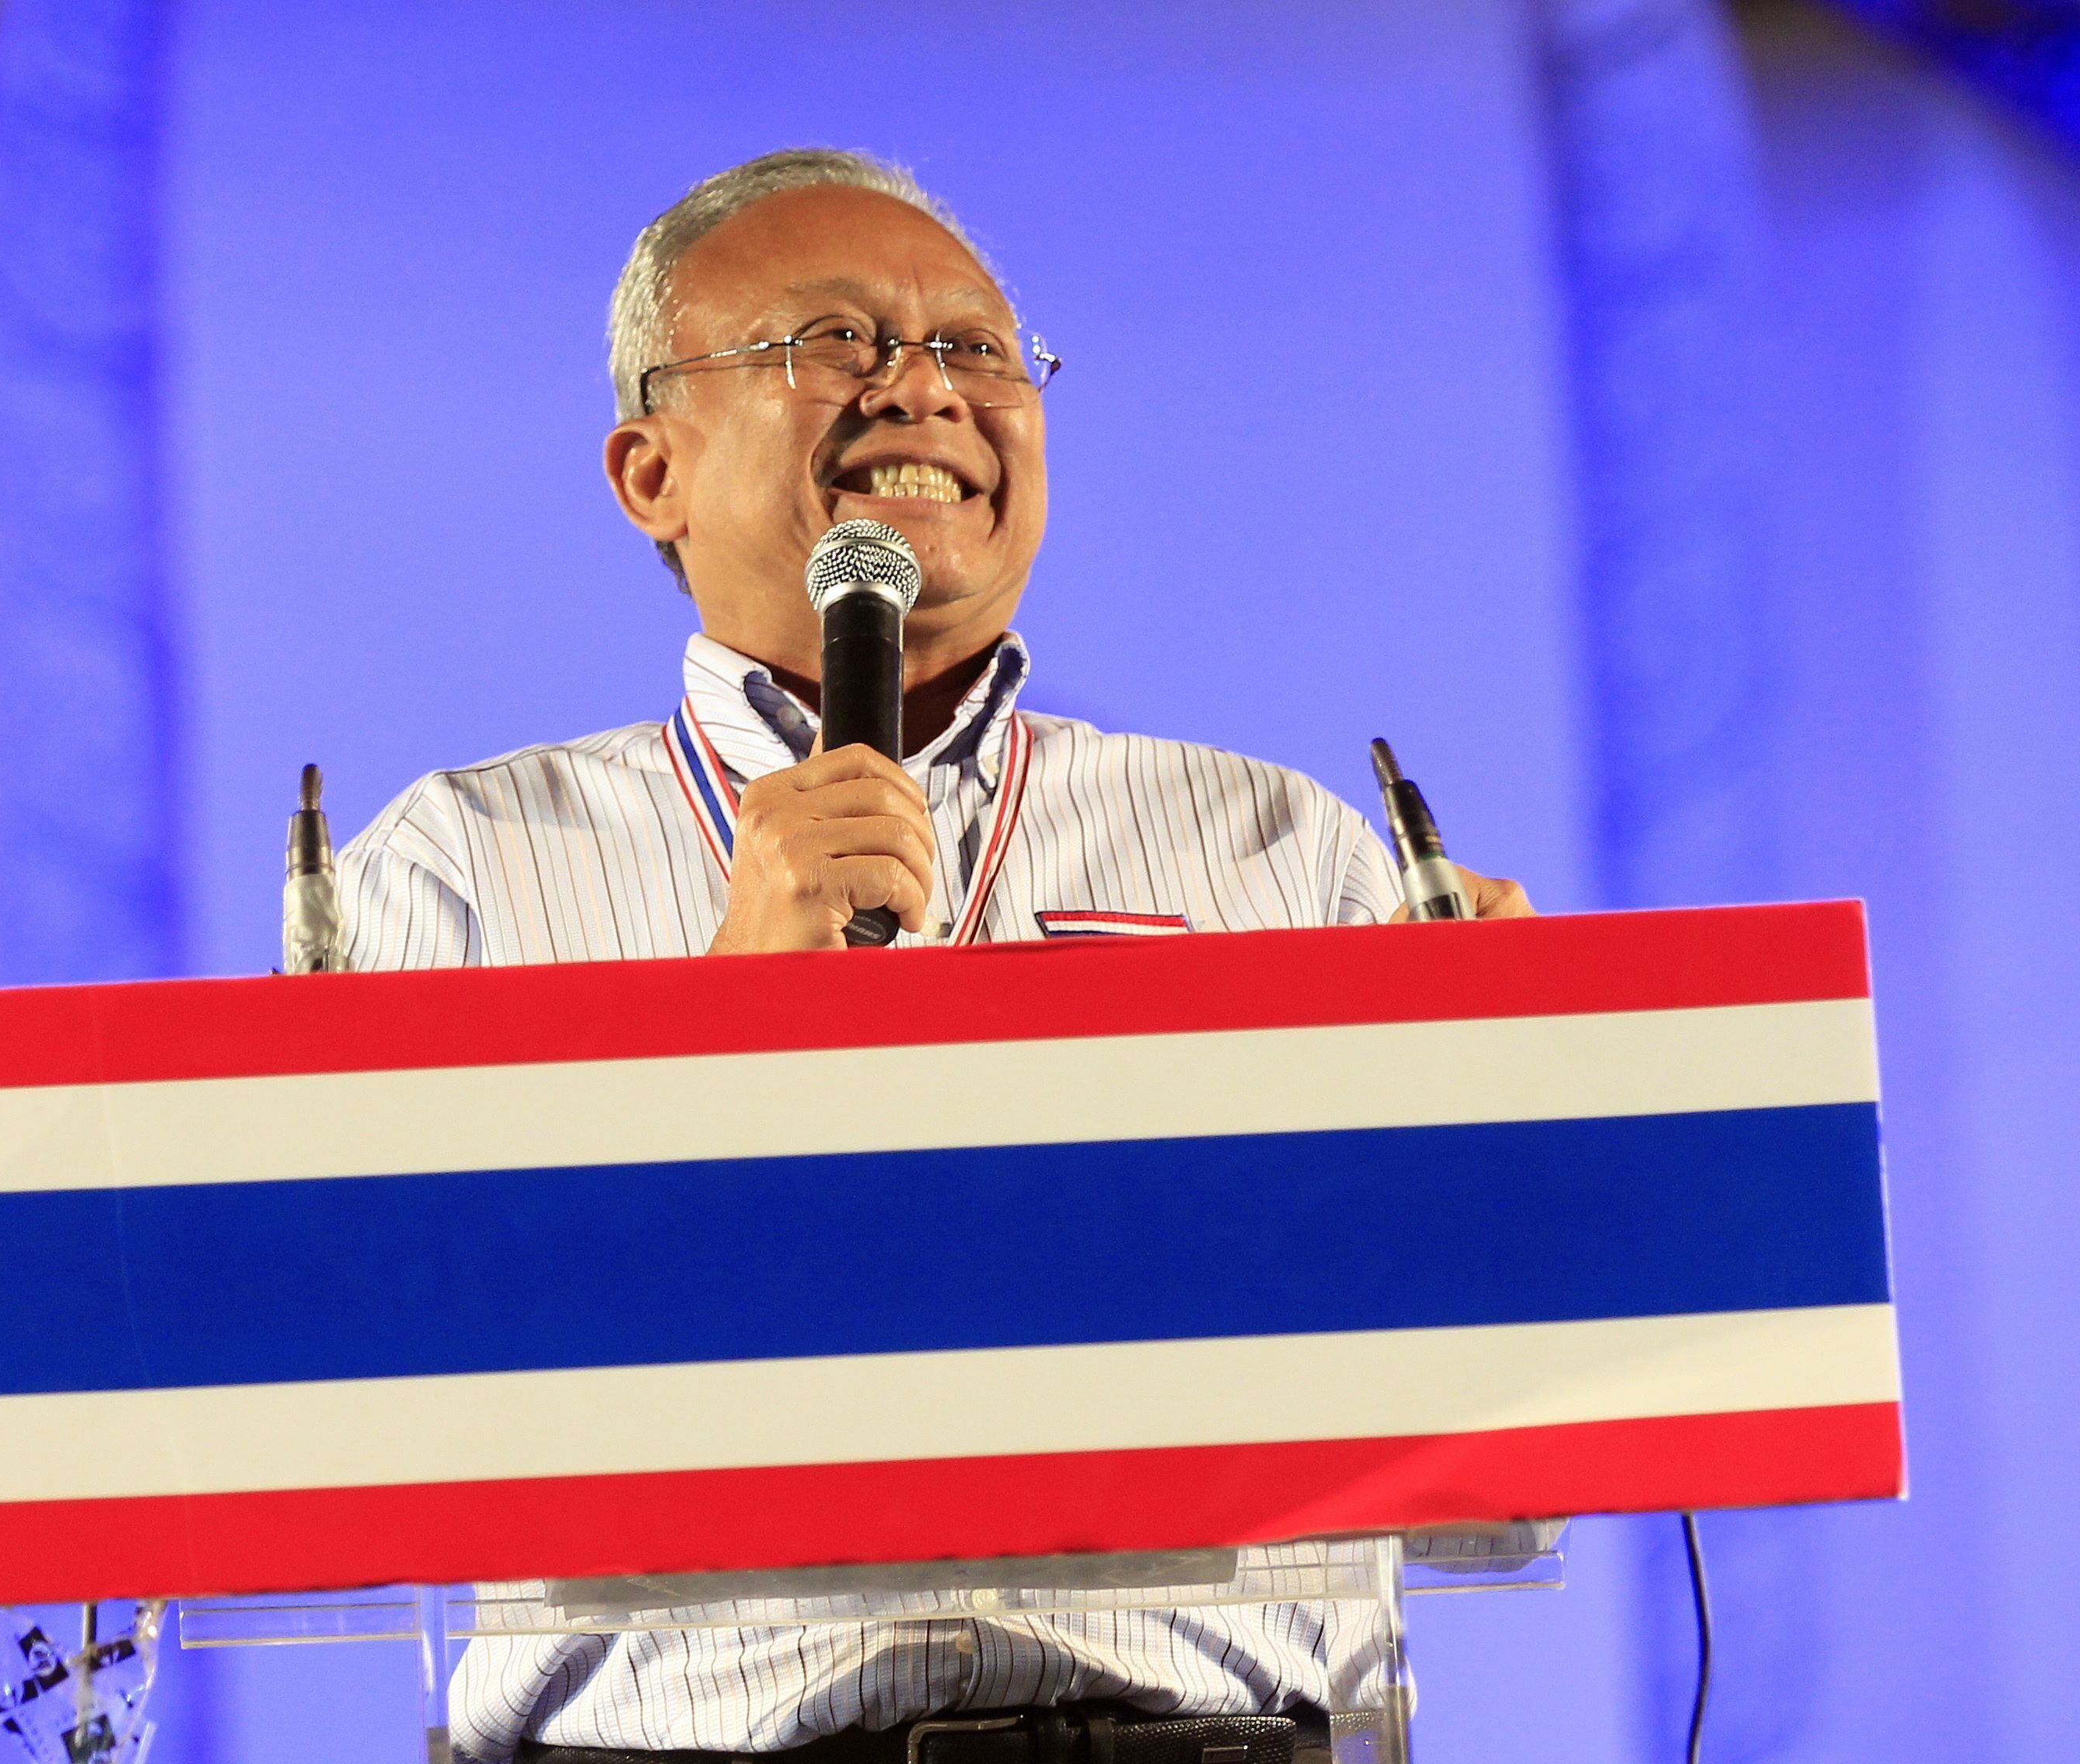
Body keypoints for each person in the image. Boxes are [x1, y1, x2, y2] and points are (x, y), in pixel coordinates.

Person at [338, 148, 1535, 1764]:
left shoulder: (1282, 849)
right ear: (650, 469)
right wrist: (712, 1034)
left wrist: (1515, 1139)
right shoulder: (460, 868)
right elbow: (355, 1415)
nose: (924, 388)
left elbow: (1493, 1477)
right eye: (833, 340)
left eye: (974, 347)